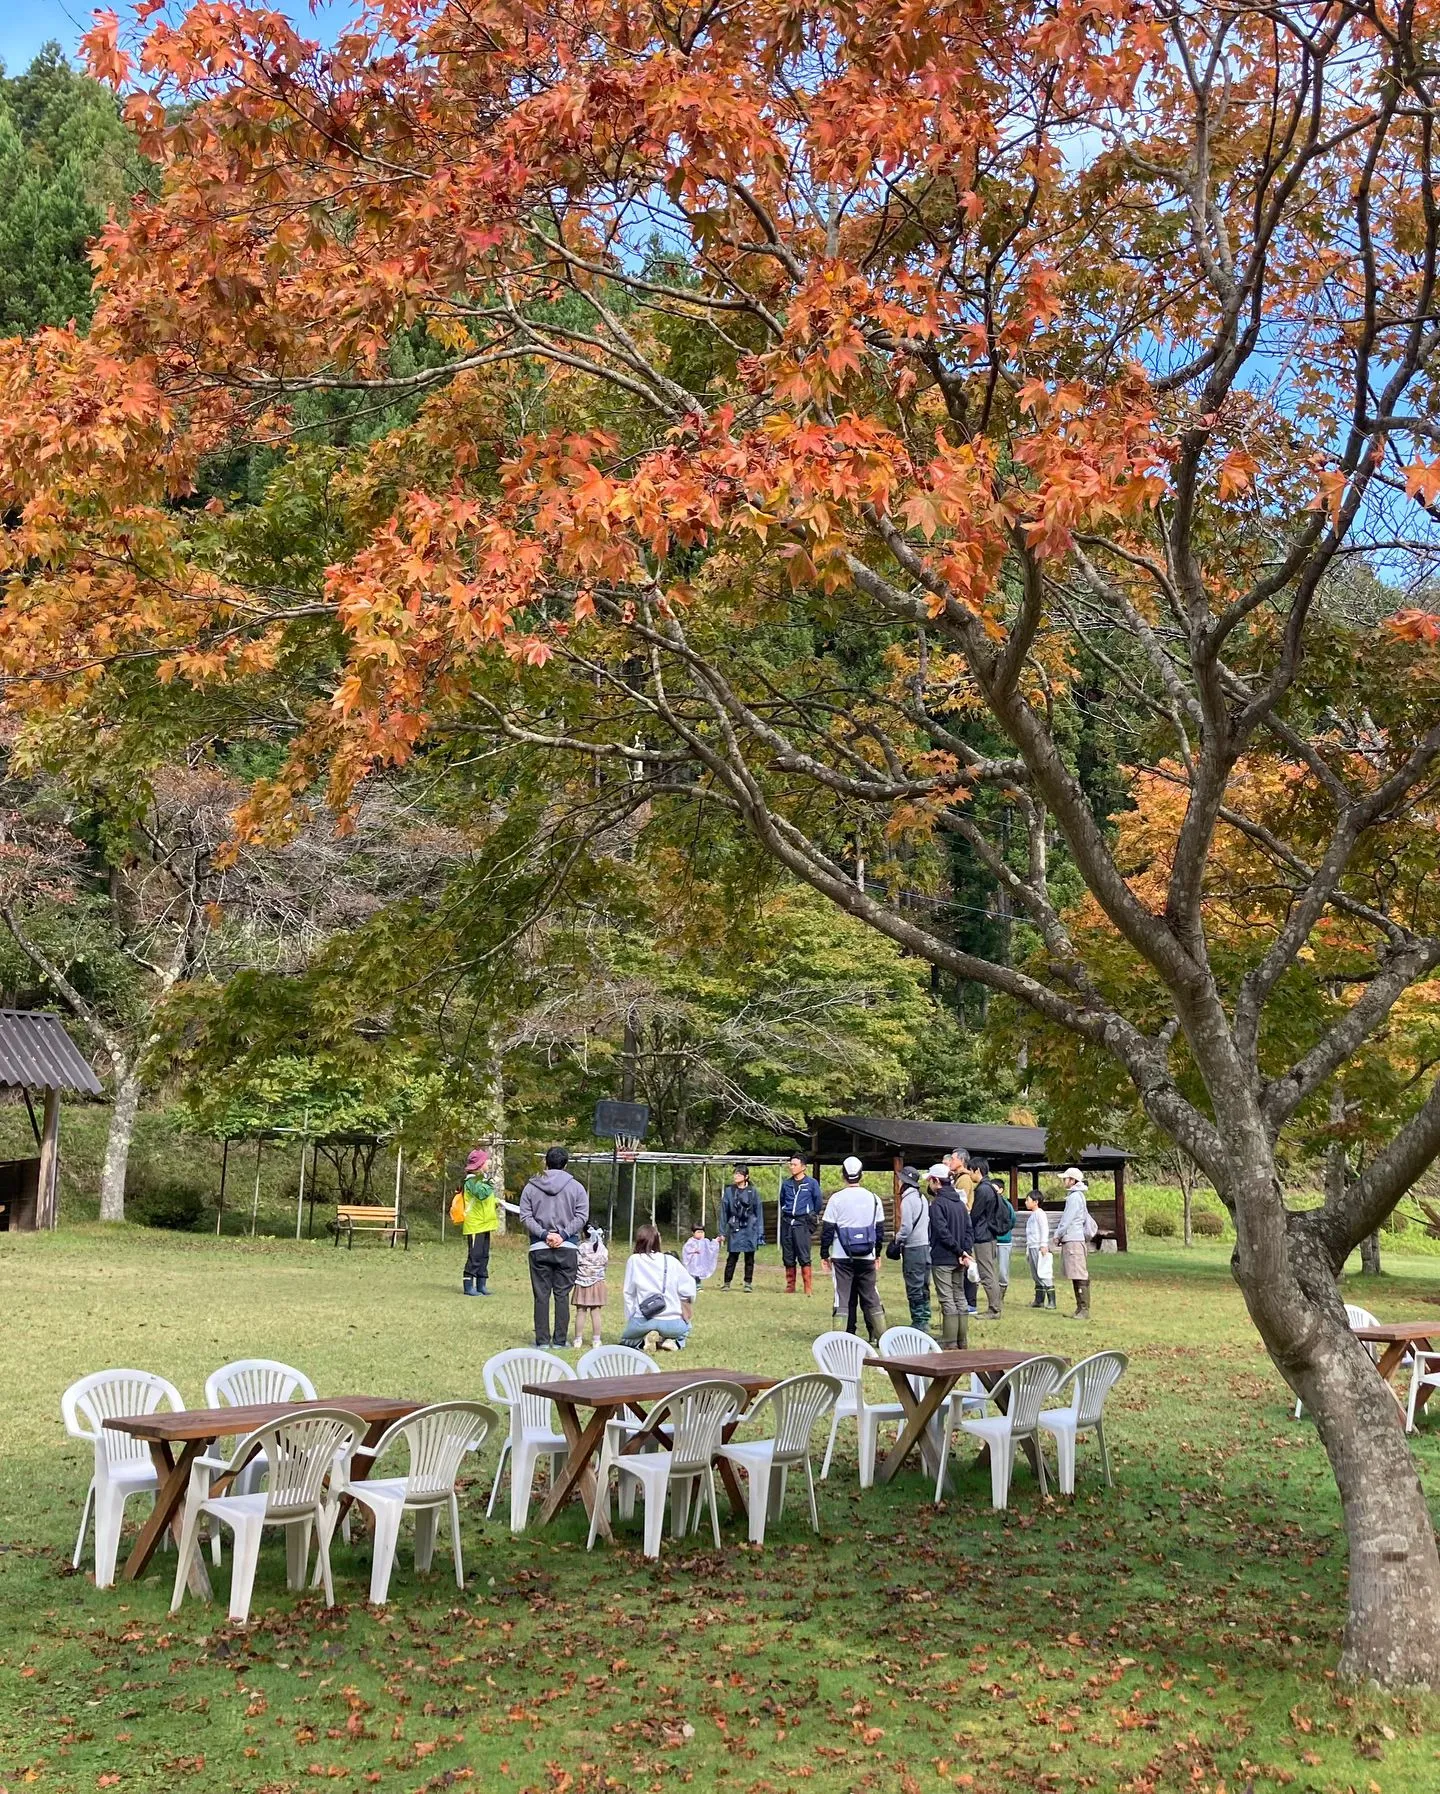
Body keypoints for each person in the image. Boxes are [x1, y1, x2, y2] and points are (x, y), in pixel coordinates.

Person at [518, 1146, 590, 1349]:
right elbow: (582, 1216)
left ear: (545, 1163)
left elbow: (525, 1216)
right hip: (567, 1248)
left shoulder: (531, 1187)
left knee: (541, 1295)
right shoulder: (576, 1187)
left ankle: (542, 1340)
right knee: (561, 1294)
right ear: (566, 1164)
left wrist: (544, 1234)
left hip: (539, 1247)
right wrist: (563, 1235)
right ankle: (559, 1341)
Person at [819, 1156, 886, 1343]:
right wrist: (877, 1253)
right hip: (867, 1255)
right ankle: (880, 1336)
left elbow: (827, 1230)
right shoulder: (874, 1199)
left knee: (842, 1295)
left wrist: (825, 1254)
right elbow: (879, 1230)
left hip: (841, 1256)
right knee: (871, 1293)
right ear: (861, 1175)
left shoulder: (836, 1199)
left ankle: (842, 1337)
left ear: (843, 1175)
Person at [620, 1222, 696, 1351]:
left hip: (643, 1319)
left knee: (627, 1340)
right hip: (671, 1320)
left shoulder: (634, 1260)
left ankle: (642, 1342)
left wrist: (631, 1317)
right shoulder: (670, 1260)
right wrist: (685, 1305)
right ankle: (673, 1341)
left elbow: (629, 1293)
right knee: (686, 1328)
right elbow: (688, 1287)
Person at [926, 1164, 975, 1347]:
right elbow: (969, 1230)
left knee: (947, 1299)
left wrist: (959, 1251)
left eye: (931, 1180)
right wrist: (965, 1252)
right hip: (960, 1257)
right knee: (959, 1296)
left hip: (944, 1257)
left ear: (936, 1181)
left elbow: (942, 1231)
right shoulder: (960, 1203)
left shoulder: (938, 1204)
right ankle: (962, 1339)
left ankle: (949, 1341)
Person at [893, 1164, 932, 1331]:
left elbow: (906, 1227)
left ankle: (919, 1321)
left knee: (914, 1284)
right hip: (925, 1246)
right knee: (924, 1284)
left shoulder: (908, 1200)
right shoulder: (923, 1198)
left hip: (913, 1248)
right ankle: (925, 1316)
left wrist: (897, 1239)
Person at [778, 1153, 823, 1295]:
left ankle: (807, 1286)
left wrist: (811, 1216)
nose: (791, 1167)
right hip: (787, 1222)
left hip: (803, 1223)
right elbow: (782, 1200)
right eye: (790, 1164)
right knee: (788, 1255)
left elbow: (818, 1202)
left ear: (803, 1167)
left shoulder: (811, 1184)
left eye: (794, 1164)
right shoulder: (786, 1184)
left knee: (804, 1255)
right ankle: (790, 1285)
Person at [1053, 1166, 1093, 1319]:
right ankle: (1080, 1307)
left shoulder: (1075, 1198)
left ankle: (1083, 1308)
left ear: (1072, 1180)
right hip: (1075, 1238)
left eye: (1066, 1178)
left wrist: (1057, 1234)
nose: (1064, 1181)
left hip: (1074, 1239)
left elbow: (1067, 1220)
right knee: (1076, 1273)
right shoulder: (1077, 1196)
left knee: (1079, 1273)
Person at [968, 1157, 1005, 1320]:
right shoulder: (990, 1187)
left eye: (970, 1170)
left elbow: (976, 1214)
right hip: (990, 1234)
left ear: (977, 1170)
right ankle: (995, 1306)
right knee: (990, 1272)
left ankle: (994, 1309)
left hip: (983, 1235)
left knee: (986, 1274)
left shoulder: (983, 1190)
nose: (969, 1174)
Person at [459, 1147, 499, 1297]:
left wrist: (495, 1201)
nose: (489, 1162)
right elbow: (481, 1194)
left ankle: (481, 1284)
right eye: (486, 1160)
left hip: (485, 1223)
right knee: (474, 1255)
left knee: (484, 1255)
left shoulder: (481, 1179)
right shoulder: (471, 1181)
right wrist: (490, 1183)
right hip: (475, 1224)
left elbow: (484, 1199)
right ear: (480, 1164)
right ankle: (468, 1284)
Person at [719, 1164, 764, 1291]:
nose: (736, 1176)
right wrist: (722, 1231)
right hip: (735, 1226)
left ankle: (748, 1282)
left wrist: (760, 1231)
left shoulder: (753, 1191)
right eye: (735, 1174)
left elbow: (758, 1211)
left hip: (750, 1227)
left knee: (750, 1256)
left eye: (739, 1174)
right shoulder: (729, 1191)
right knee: (732, 1256)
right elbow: (724, 1212)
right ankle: (727, 1282)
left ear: (746, 1177)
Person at [572, 1224, 609, 1347]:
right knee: (596, 1311)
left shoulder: (581, 1247)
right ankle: (596, 1340)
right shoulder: (602, 1248)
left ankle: (578, 1339)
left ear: (584, 1233)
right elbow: (605, 1263)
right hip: (597, 1283)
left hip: (582, 1283)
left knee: (581, 1311)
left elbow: (576, 1262)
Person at [1024, 1190, 1055, 1309]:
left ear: (1035, 1202)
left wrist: (1043, 1244)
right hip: (1032, 1246)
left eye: (1028, 1200)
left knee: (1043, 1272)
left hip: (1038, 1246)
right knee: (1035, 1273)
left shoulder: (1040, 1214)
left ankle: (1051, 1300)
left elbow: (1044, 1229)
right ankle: (1039, 1299)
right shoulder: (1032, 1215)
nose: (1026, 1202)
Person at [682, 1222, 719, 1291]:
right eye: (698, 1232)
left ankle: (698, 1285)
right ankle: (692, 1285)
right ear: (693, 1233)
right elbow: (686, 1249)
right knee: (693, 1273)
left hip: (701, 1261)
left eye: (702, 1232)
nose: (700, 1234)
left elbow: (711, 1247)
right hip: (693, 1262)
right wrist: (693, 1250)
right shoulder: (691, 1241)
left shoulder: (705, 1241)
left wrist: (716, 1241)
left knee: (698, 1273)